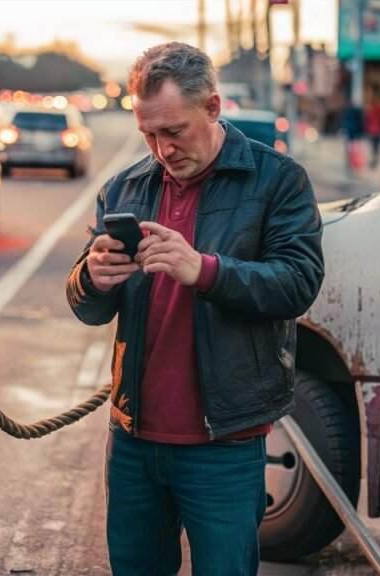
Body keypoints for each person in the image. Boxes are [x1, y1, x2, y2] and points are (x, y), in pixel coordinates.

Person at [65, 42, 324, 575]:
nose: (162, 148)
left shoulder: (278, 180)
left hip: (223, 442)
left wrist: (204, 270)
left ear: (212, 107)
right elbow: (89, 309)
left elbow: (298, 283)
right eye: (149, 134)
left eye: (174, 131)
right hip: (134, 439)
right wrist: (90, 280)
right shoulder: (125, 187)